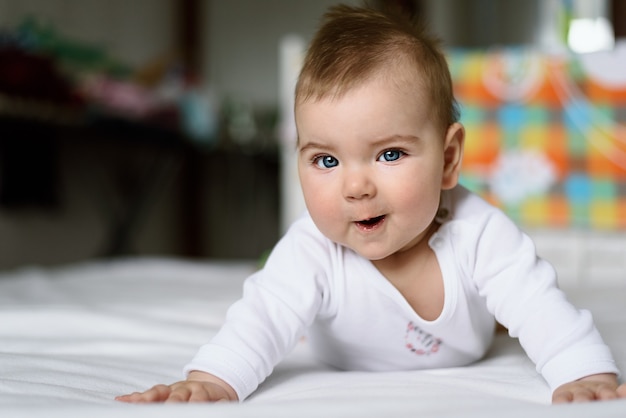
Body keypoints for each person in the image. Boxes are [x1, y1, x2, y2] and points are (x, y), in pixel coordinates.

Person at [117, 3, 626, 404]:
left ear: (448, 159)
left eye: (388, 153)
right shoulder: (312, 249)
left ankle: (487, 310)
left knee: (508, 296)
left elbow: (541, 306)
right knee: (282, 298)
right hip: (332, 347)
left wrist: (584, 373)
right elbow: (262, 317)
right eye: (326, 161)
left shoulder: (481, 233)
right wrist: (211, 381)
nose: (356, 188)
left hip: (469, 327)